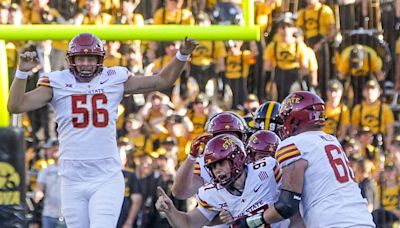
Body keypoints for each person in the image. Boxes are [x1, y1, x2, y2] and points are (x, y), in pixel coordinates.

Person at [7, 32, 198, 228]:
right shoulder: (57, 81)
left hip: (105, 177)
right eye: (81, 58)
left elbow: (161, 81)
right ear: (71, 59)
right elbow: (16, 106)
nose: (86, 63)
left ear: (100, 59)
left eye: (91, 58)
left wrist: (181, 56)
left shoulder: (114, 78)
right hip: (71, 178)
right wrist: (21, 73)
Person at [244, 91, 375, 227]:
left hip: (334, 222)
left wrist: (250, 221)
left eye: (285, 118)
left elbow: (287, 205)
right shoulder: (331, 140)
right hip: (363, 220)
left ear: (295, 118)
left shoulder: (293, 144)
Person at [156, 134, 290, 227]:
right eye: (213, 167)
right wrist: (170, 210)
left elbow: (294, 195)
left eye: (221, 163)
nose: (217, 171)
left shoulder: (267, 170)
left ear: (237, 158)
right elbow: (188, 223)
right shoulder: (212, 193)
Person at [34, 139, 66, 228]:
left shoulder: (70, 169)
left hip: (67, 215)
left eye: (50, 149)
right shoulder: (45, 171)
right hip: (49, 215)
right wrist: (38, 193)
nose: (48, 152)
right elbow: (39, 187)